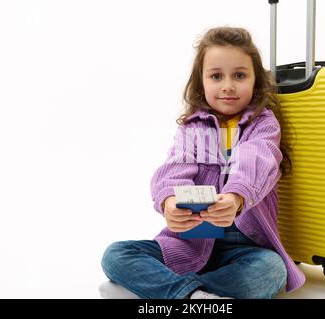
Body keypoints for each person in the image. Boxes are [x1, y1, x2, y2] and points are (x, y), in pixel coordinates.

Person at [101, 26, 305, 299]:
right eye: (216, 76)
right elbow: (174, 168)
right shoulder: (193, 128)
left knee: (271, 270)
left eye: (240, 75)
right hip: (189, 244)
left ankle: (162, 291)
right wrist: (169, 202)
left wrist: (235, 197)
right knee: (116, 254)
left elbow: (257, 160)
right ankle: (192, 296)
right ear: (202, 82)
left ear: (256, 81)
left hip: (246, 246)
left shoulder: (263, 124)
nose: (228, 85)